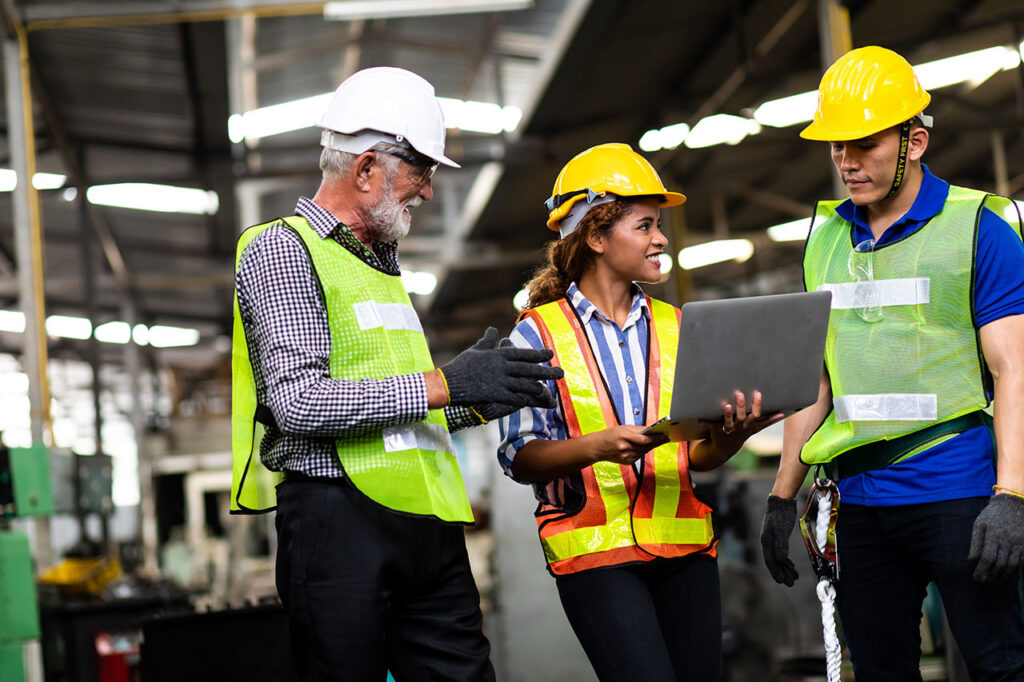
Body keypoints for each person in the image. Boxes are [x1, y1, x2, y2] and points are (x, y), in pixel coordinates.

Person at [229, 66, 563, 682]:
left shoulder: (383, 268)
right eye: (422, 172)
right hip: (338, 522)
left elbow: (409, 407)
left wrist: (487, 391)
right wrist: (447, 382)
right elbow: (299, 403)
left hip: (426, 525)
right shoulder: (282, 249)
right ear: (366, 169)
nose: (428, 191)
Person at [758, 46, 1024, 680]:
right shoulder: (822, 238)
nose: (847, 162)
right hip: (860, 503)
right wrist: (780, 496)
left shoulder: (979, 226)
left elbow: (1014, 369)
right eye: (836, 147)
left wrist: (1012, 494)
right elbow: (816, 380)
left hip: (959, 490)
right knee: (880, 672)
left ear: (917, 140)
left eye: (866, 144)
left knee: (1000, 668)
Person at [497, 143, 782, 681]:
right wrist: (600, 446)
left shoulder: (679, 326)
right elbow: (521, 456)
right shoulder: (534, 333)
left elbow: (695, 454)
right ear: (597, 236)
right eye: (645, 225)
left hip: (686, 549)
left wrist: (730, 438)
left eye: (658, 225)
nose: (661, 239)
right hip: (595, 555)